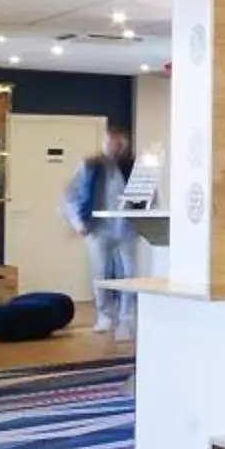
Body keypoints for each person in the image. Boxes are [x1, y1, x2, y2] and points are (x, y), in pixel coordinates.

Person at [63, 124, 139, 338]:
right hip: (98, 228)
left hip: (127, 227)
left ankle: (127, 316)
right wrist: (78, 223)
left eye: (120, 142)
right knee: (100, 271)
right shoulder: (90, 165)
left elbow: (149, 194)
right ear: (105, 141)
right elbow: (70, 195)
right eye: (112, 141)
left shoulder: (133, 167)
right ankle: (105, 315)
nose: (116, 146)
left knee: (130, 273)